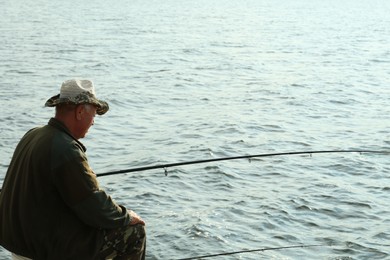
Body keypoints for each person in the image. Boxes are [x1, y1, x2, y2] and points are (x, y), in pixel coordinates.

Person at [0, 79, 146, 260]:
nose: (93, 121)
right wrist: (126, 216)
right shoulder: (65, 148)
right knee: (135, 232)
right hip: (43, 246)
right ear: (79, 112)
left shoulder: (33, 134)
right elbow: (94, 205)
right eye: (93, 114)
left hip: (17, 239)